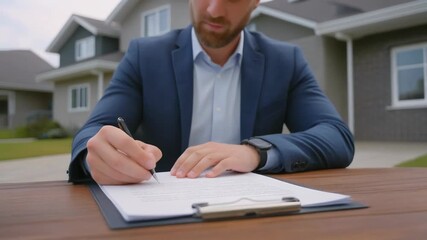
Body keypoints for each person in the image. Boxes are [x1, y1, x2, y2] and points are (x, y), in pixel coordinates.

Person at [69, 0, 354, 185]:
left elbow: (336, 136)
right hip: (159, 219)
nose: (215, 10)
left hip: (256, 217)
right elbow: (93, 132)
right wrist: (94, 157)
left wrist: (256, 152)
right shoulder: (144, 56)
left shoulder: (285, 60)